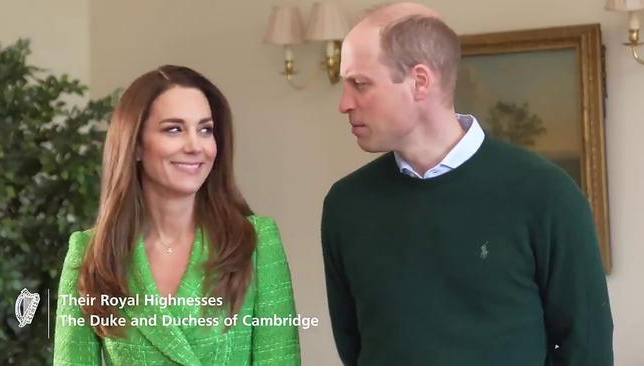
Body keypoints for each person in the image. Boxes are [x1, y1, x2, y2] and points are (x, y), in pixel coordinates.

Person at [321, 3, 613, 365]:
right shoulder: (346, 205)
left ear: (420, 82)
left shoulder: (547, 194)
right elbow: (355, 346)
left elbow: (587, 348)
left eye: (360, 84)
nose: (344, 103)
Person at [54, 65, 300, 365]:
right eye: (174, 129)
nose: (195, 146)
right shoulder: (91, 254)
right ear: (136, 146)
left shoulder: (256, 242)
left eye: (205, 129)